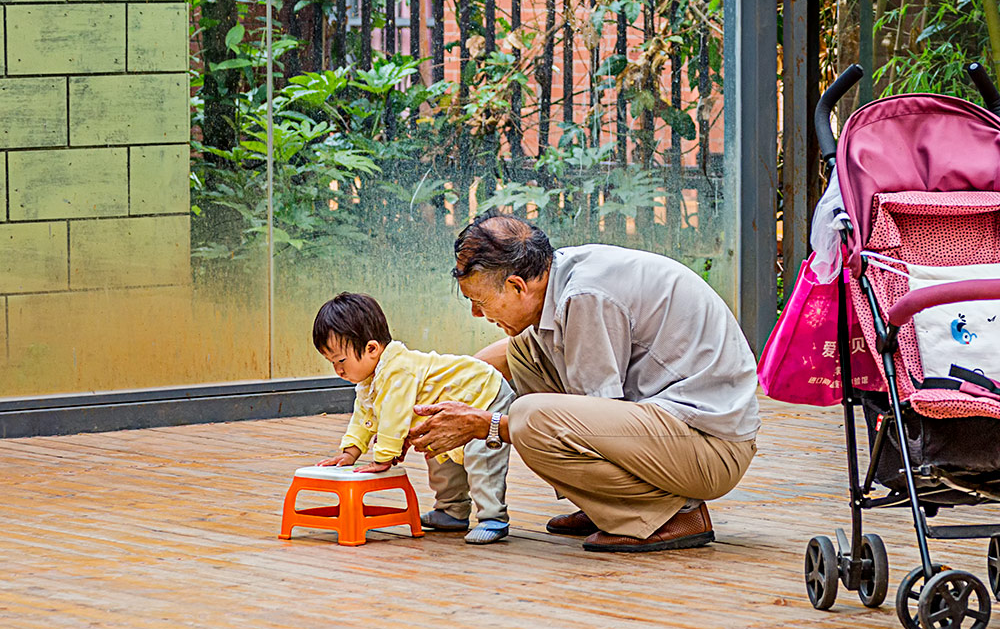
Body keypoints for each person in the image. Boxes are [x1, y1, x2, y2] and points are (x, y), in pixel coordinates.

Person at [404, 211, 760, 554]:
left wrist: (484, 425)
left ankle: (669, 515)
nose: (476, 314)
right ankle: (608, 506)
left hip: (711, 448)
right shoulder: (558, 277)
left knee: (530, 418)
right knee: (524, 352)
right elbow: (496, 361)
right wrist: (426, 395)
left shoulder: (585, 297)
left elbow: (590, 414)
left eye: (480, 302)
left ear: (515, 286)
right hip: (674, 431)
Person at [313, 292, 515, 545]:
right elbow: (364, 415)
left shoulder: (399, 369)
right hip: (446, 412)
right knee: (438, 455)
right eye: (331, 362)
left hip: (483, 395)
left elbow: (394, 415)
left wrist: (384, 456)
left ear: (372, 349)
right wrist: (349, 452)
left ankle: (493, 518)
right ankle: (451, 510)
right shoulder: (370, 380)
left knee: (481, 456)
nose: (338, 370)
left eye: (340, 360)